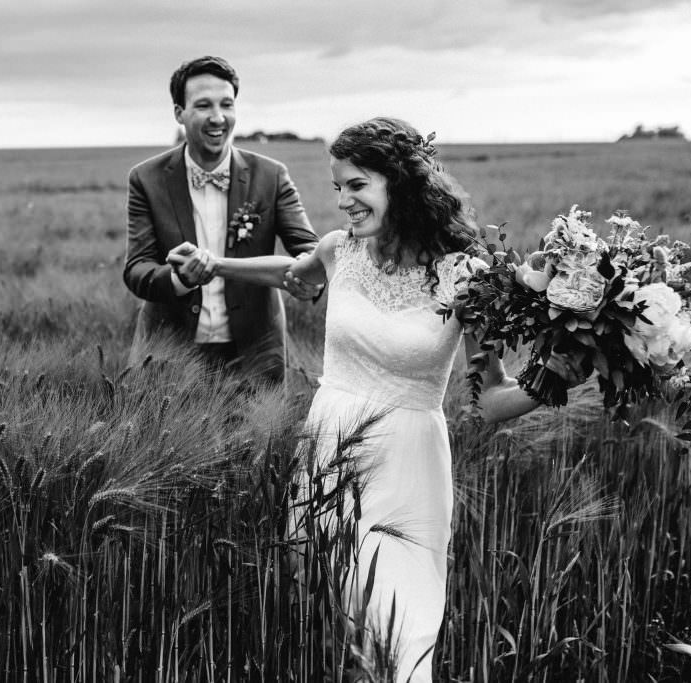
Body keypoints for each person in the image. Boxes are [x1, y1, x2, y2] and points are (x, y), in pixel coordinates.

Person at [168, 117, 585, 681]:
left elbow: (485, 402)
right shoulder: (341, 251)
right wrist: (214, 265)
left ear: (401, 182)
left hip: (407, 466)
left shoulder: (466, 275)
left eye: (356, 185)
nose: (342, 201)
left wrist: (551, 378)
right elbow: (291, 274)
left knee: (402, 633)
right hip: (328, 450)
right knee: (334, 624)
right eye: (338, 186)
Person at [122, 56, 319, 383]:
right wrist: (179, 279)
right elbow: (137, 268)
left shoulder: (271, 175)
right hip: (168, 353)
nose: (218, 118)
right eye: (203, 105)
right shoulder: (146, 178)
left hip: (256, 350)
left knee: (261, 436)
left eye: (226, 104)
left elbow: (309, 250)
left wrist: (309, 277)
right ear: (179, 113)